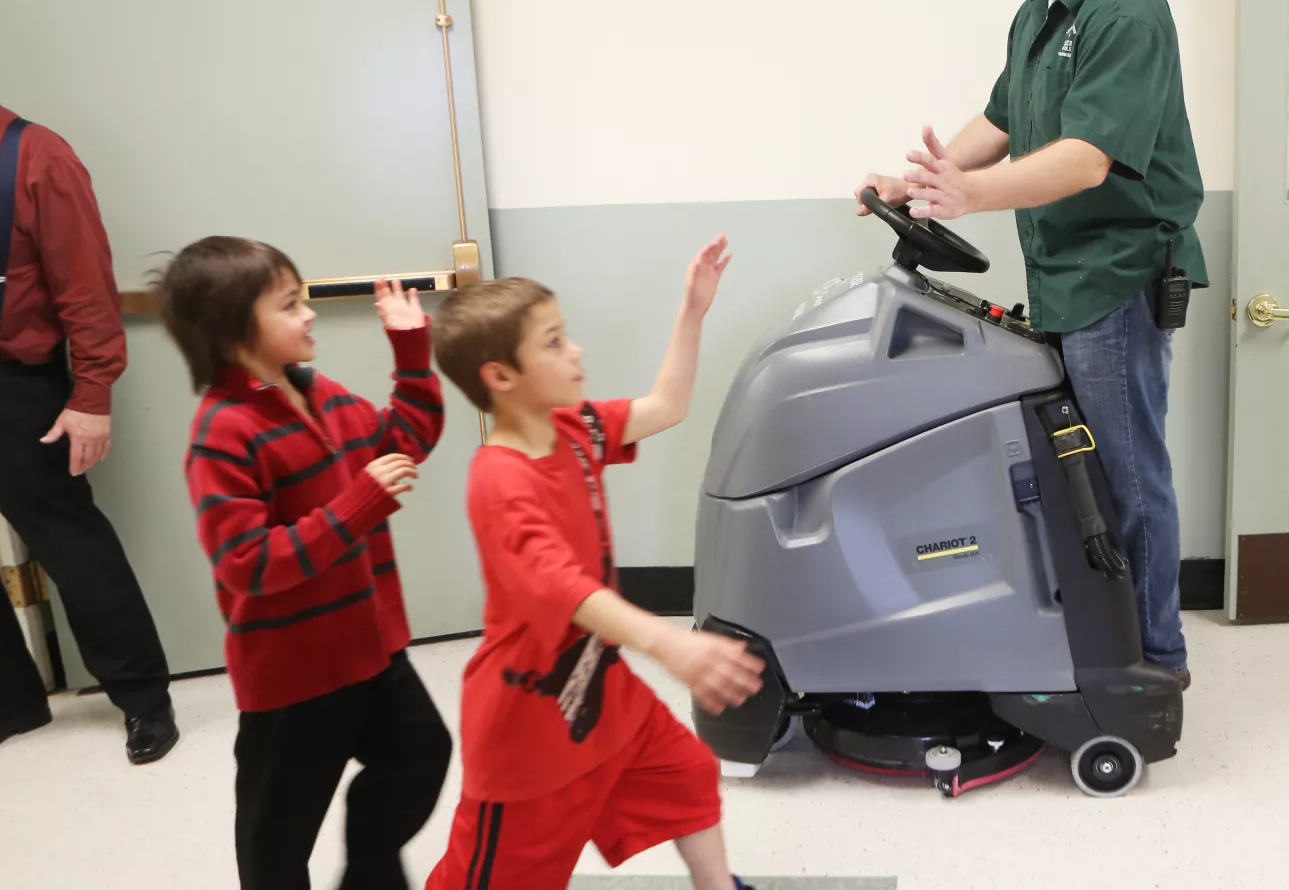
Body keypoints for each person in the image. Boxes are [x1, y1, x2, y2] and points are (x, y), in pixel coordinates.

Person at [856, 0, 1205, 687]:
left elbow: (1088, 158)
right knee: (1081, 473)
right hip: (1061, 275)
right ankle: (1103, 634)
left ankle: (1154, 665)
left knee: (1128, 481)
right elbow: (1003, 118)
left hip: (1114, 280)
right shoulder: (1040, 8)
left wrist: (971, 196)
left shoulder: (1127, 10)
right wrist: (918, 185)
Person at [423, 238, 764, 890]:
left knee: (687, 771)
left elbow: (667, 406)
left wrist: (692, 311)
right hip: (527, 723)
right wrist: (668, 643)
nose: (575, 350)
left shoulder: (575, 428)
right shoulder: (496, 480)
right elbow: (560, 585)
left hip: (602, 689)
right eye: (553, 342)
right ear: (500, 376)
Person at [153, 237, 451, 890]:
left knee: (421, 755)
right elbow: (247, 564)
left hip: (372, 652)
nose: (309, 313)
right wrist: (360, 505)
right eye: (289, 304)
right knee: (274, 843)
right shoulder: (222, 433)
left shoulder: (326, 396)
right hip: (293, 681)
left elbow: (409, 436)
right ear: (233, 330)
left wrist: (410, 352)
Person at [0, 105, 176, 763]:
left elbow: (85, 288)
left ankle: (143, 700)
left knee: (72, 546)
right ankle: (12, 705)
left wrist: (92, 393)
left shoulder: (37, 156)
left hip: (15, 386)